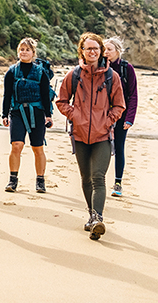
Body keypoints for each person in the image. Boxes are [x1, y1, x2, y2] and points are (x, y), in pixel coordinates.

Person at [56, 32, 125, 240]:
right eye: (88, 48)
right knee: (85, 177)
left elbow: (120, 105)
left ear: (101, 51)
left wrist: (106, 121)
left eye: (96, 48)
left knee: (98, 177)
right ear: (82, 52)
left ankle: (98, 218)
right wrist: (75, 115)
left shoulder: (112, 76)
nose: (92, 52)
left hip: (103, 136)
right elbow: (61, 101)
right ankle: (91, 216)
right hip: (79, 134)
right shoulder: (74, 75)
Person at [1, 37, 53, 194]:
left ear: (33, 53)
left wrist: (48, 115)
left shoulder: (40, 72)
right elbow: (7, 94)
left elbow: (45, 95)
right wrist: (4, 114)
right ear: (18, 52)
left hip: (37, 112)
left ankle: (40, 180)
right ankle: (13, 180)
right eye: (21, 49)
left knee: (37, 148)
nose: (24, 52)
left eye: (27, 50)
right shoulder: (11, 72)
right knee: (16, 145)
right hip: (17, 112)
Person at [103, 37, 138, 197]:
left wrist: (129, 118)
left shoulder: (126, 68)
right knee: (101, 148)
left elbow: (133, 95)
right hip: (102, 116)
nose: (106, 52)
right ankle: (99, 180)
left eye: (109, 49)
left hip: (121, 116)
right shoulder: (100, 67)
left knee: (118, 147)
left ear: (118, 51)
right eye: (104, 49)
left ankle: (118, 183)